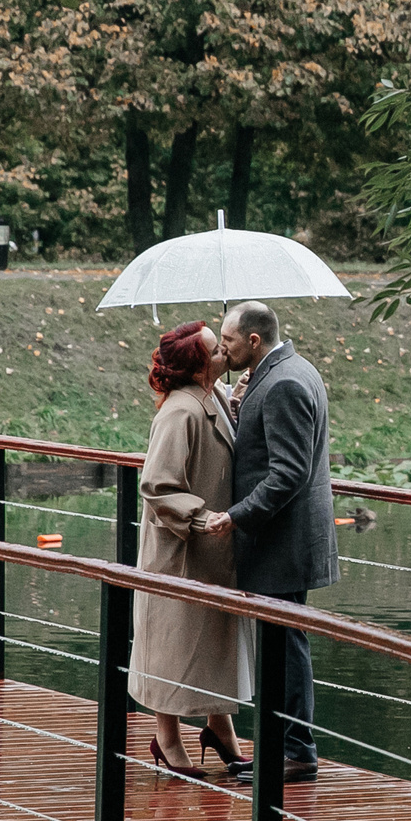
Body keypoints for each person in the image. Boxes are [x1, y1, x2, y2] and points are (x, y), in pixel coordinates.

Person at [202, 299, 335, 782]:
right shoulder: (285, 371)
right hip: (286, 540)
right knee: (282, 643)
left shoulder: (281, 384)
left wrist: (235, 517)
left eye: (230, 342)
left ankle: (296, 752)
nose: (224, 349)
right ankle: (288, 747)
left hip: (283, 542)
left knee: (286, 646)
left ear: (253, 341)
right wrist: (240, 408)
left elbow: (288, 474)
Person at [133, 321, 256, 780]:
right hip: (181, 550)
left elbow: (223, 435)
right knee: (174, 642)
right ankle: (166, 737)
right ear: (199, 366)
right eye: (215, 351)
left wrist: (238, 397)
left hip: (212, 551)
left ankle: (219, 728)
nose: (225, 353)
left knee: (212, 640)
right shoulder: (178, 413)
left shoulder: (214, 396)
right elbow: (157, 485)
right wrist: (203, 519)